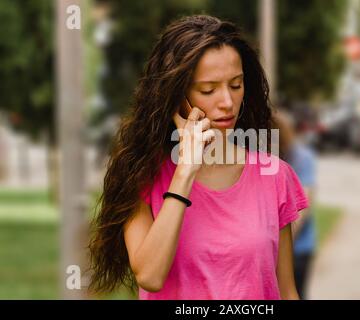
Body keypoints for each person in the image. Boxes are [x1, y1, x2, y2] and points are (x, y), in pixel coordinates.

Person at [88, 15, 309, 300]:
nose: (227, 102)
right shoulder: (142, 176)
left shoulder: (274, 174)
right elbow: (150, 275)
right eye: (208, 89)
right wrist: (185, 171)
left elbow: (286, 292)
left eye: (236, 85)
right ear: (177, 95)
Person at [273, 108, 317, 300]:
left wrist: (272, 247)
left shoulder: (301, 157)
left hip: (299, 249)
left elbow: (303, 206)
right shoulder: (264, 159)